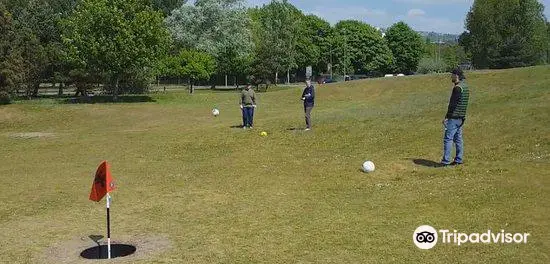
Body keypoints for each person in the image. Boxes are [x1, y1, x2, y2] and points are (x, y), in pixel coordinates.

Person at [441, 68, 470, 166]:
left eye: (452, 75)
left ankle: (446, 161)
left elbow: (452, 104)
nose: (451, 77)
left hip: (454, 117)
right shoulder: (465, 87)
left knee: (448, 139)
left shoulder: (457, 88)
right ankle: (458, 159)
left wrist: (447, 117)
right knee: (458, 139)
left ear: (456, 75)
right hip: (461, 117)